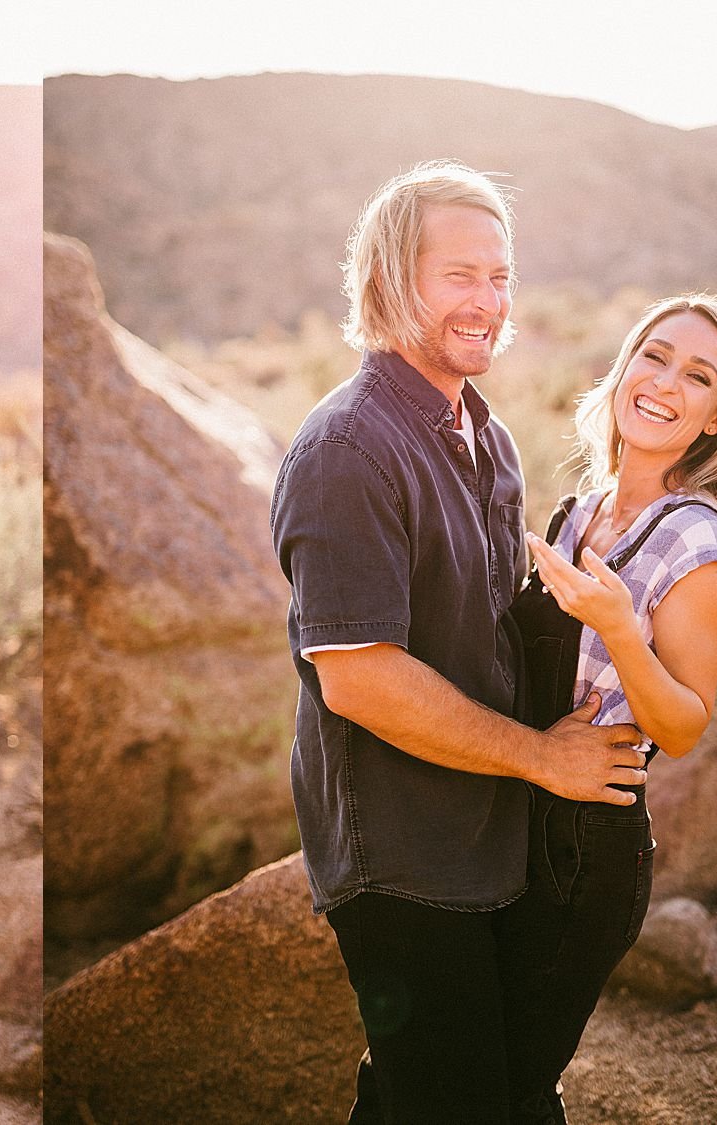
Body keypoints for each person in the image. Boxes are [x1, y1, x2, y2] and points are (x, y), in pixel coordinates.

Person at [269, 162, 649, 1123]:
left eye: (501, 276)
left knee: (432, 1094)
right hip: (402, 854)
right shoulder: (347, 451)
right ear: (392, 280)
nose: (489, 301)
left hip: (490, 836)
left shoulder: (487, 436)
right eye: (460, 276)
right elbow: (360, 681)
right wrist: (541, 756)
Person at [502, 294, 717, 1121]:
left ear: (716, 418)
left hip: (586, 847)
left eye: (698, 376)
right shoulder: (581, 510)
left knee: (507, 1081)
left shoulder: (698, 545)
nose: (665, 382)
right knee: (459, 1065)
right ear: (625, 368)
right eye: (654, 356)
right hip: (518, 814)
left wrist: (623, 626)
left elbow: (684, 724)